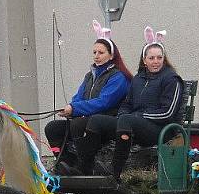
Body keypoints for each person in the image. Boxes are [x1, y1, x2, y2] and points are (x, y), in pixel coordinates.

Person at [72, 25, 183, 179]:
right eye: (151, 58)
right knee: (96, 121)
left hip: (160, 129)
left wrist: (138, 117)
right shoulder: (138, 79)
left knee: (127, 120)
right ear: (144, 60)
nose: (155, 61)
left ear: (164, 59)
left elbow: (168, 113)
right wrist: (124, 115)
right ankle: (85, 167)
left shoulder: (172, 79)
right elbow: (126, 104)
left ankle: (115, 171)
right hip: (134, 124)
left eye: (159, 58)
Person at [44, 20, 131, 171]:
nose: (96, 56)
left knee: (78, 124)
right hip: (88, 119)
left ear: (111, 56)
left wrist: (75, 109)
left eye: (101, 53)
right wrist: (70, 108)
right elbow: (79, 97)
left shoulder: (118, 77)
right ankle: (65, 161)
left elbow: (104, 102)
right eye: (94, 52)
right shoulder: (90, 76)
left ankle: (84, 165)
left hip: (108, 121)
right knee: (52, 128)